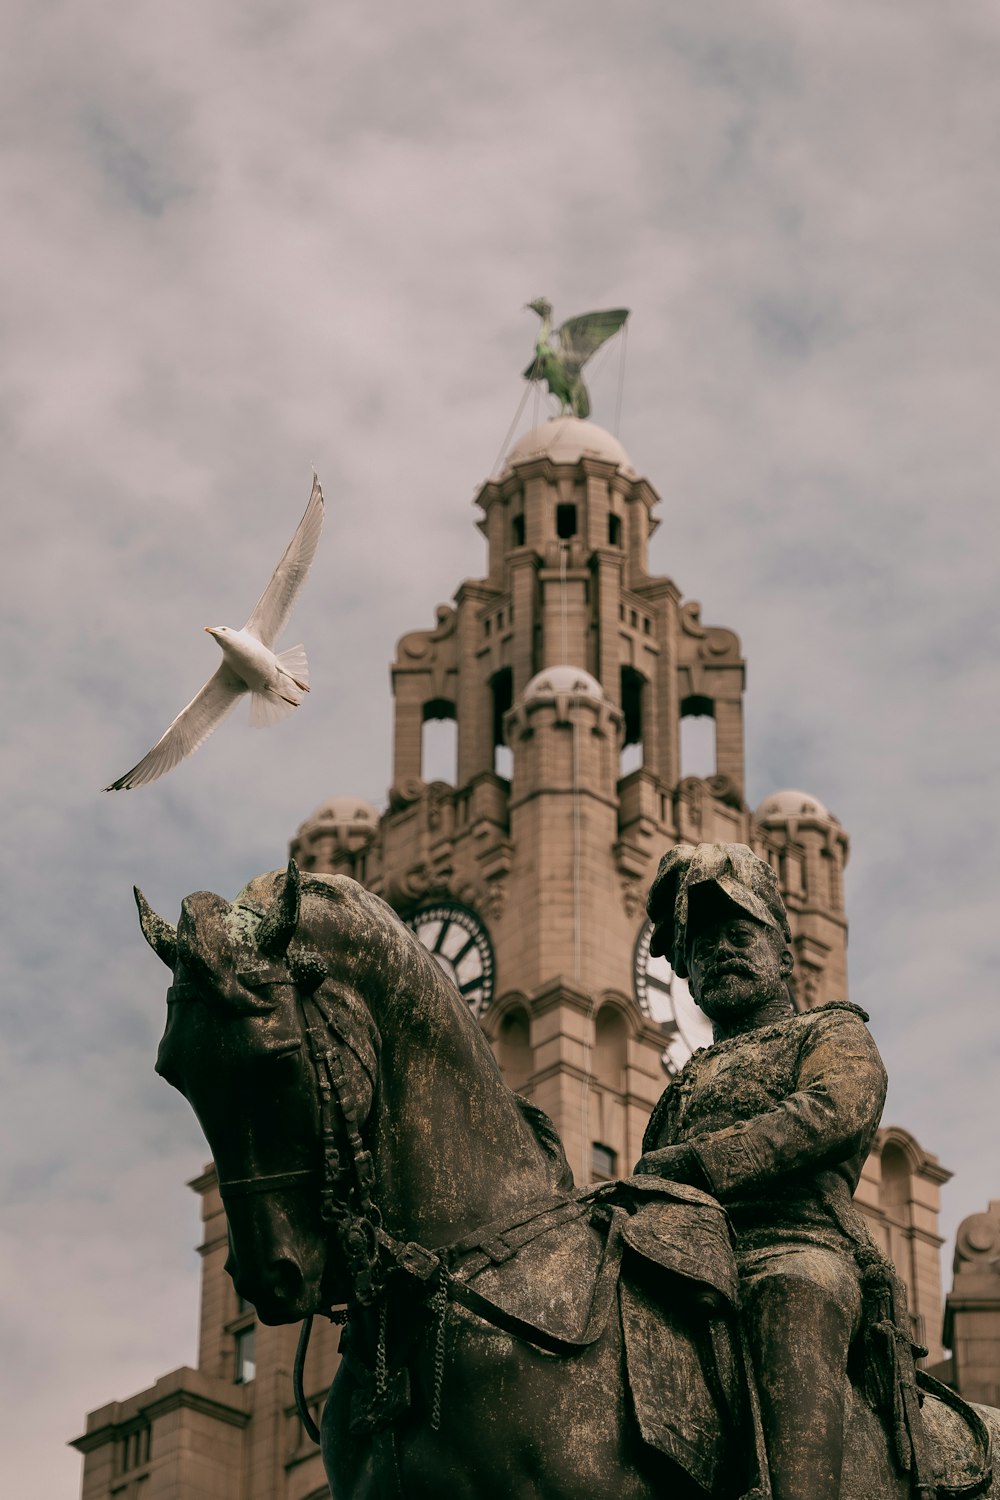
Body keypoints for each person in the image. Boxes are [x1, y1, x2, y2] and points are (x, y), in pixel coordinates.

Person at [634, 842, 892, 1500]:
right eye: (703, 944)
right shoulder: (678, 1090)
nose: (720, 949)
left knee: (790, 1288)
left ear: (783, 954)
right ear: (688, 976)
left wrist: (702, 1162)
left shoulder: (828, 1032)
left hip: (799, 1241)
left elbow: (834, 1110)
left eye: (740, 933)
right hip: (686, 1260)